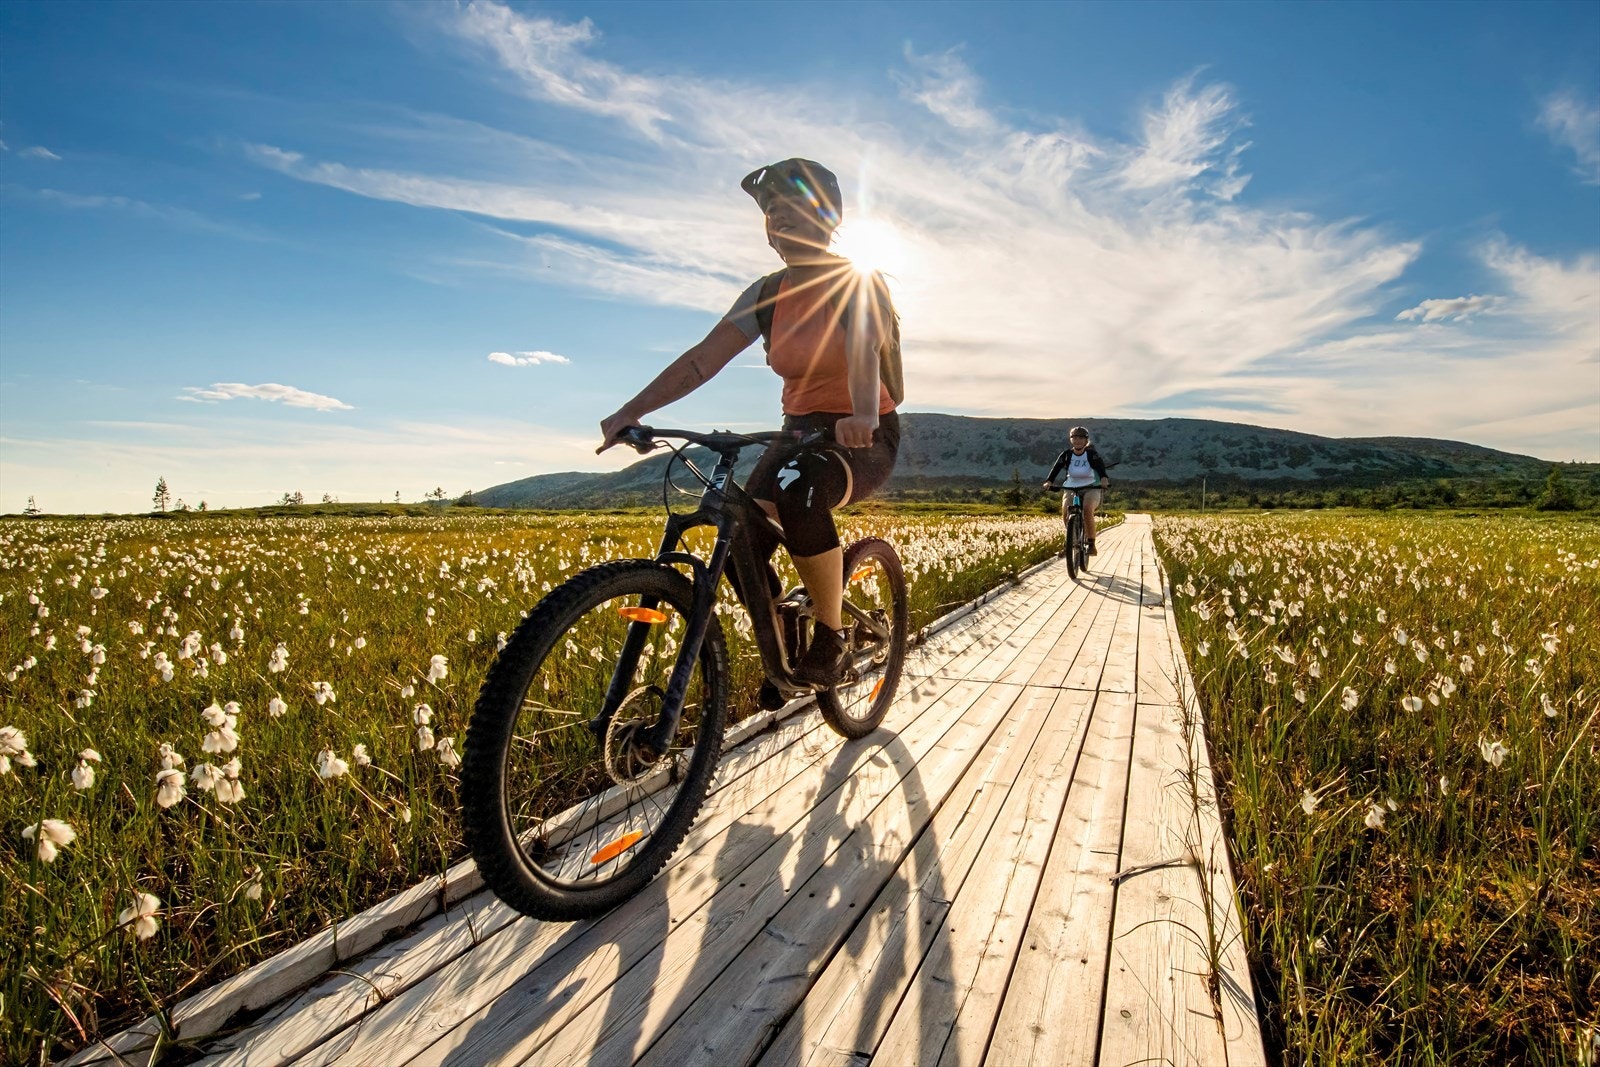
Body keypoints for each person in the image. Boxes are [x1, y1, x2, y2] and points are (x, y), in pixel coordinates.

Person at [598, 158, 900, 687]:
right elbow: (701, 360)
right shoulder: (766, 294)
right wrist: (633, 411)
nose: (779, 223)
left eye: (792, 211)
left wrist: (860, 413)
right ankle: (782, 635)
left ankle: (830, 637)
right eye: (771, 214)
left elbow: (864, 349)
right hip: (796, 429)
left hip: (862, 431)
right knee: (737, 538)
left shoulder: (859, 282)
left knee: (801, 491)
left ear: (826, 218)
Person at [1043, 426, 1110, 554]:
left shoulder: (1091, 454)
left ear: (1086, 441)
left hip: (1091, 486)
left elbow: (1101, 467)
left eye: (1081, 438)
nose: (1078, 441)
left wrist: (1103, 479)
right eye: (1075, 438)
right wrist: (1049, 481)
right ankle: (1071, 541)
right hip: (1071, 486)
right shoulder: (1066, 455)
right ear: (1071, 440)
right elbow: (1056, 468)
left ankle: (1091, 544)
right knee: (1066, 511)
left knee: (1087, 510)